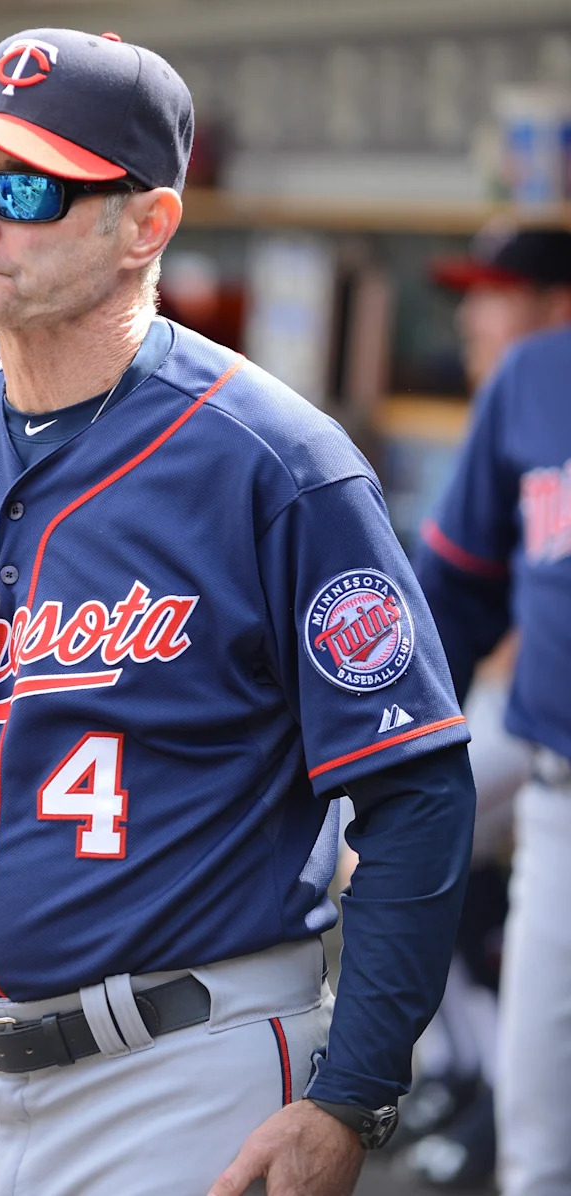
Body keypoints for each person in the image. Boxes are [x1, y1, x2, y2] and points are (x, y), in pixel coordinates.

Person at [0, 28, 475, 1196]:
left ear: (147, 224)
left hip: (184, 1065)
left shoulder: (277, 461)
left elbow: (418, 792)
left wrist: (351, 1093)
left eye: (26, 188)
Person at [397, 228, 571, 1189]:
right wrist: (402, 752)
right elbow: (453, 593)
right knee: (537, 1158)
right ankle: (459, 1073)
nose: (470, 317)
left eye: (492, 293)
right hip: (558, 791)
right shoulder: (533, 381)